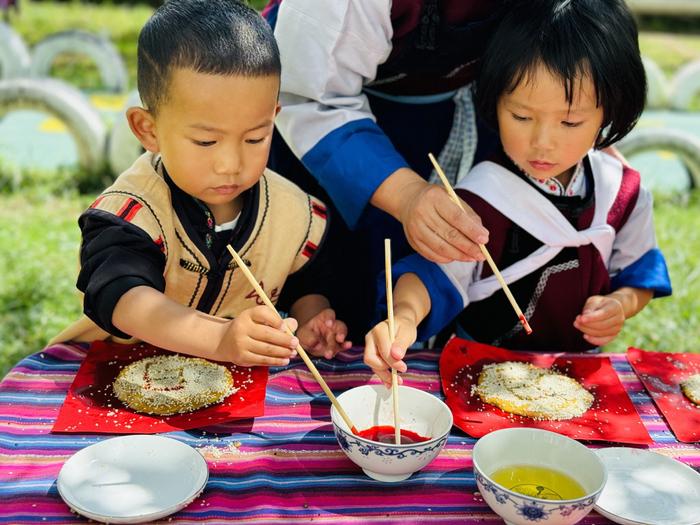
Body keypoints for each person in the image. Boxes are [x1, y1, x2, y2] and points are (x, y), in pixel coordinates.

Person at [365, 0, 673, 385]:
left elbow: (639, 274)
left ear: (610, 110)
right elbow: (433, 275)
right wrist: (404, 318)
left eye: (570, 121)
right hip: (480, 372)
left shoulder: (622, 191)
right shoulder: (480, 198)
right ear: (493, 100)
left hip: (577, 378)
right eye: (521, 116)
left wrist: (620, 304)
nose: (542, 142)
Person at [51, 0, 351, 366]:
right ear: (148, 129)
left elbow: (308, 284)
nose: (230, 164)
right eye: (206, 142)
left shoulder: (295, 213)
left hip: (234, 400)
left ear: (274, 119)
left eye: (255, 138)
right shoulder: (132, 212)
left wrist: (309, 320)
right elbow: (124, 297)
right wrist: (219, 338)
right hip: (111, 377)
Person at [263, 0, 508, 339]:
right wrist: (406, 195)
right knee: (335, 294)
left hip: (463, 112)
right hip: (324, 126)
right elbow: (310, 97)